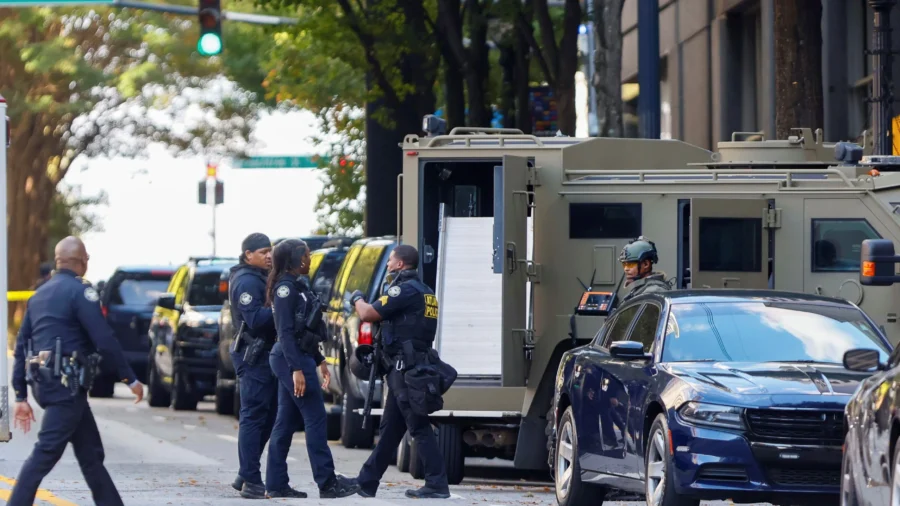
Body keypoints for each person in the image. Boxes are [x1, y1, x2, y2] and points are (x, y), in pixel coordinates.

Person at [9, 236, 144, 506]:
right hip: (65, 388)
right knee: (45, 452)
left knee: (91, 455)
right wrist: (129, 378)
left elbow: (22, 345)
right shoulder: (80, 292)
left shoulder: (39, 295)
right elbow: (104, 339)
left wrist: (21, 395)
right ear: (82, 261)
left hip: (48, 386)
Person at [348, 244, 451, 499]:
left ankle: (437, 484)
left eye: (391, 260)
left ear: (400, 264)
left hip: (405, 369)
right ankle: (366, 481)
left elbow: (368, 313)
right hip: (410, 368)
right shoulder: (426, 292)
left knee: (417, 425)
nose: (388, 264)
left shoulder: (403, 290)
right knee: (391, 429)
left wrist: (357, 298)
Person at [264, 239, 360, 499]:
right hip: (290, 358)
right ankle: (327, 483)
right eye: (306, 256)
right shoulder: (285, 289)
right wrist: (297, 368)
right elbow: (284, 332)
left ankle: (275, 483)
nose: (309, 260)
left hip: (300, 356)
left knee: (286, 421)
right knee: (315, 418)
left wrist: (319, 360)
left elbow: (304, 329)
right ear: (295, 260)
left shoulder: (298, 285)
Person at [228, 233, 304, 499]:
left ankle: (245, 472)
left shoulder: (260, 277)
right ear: (248, 254)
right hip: (253, 355)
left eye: (270, 251)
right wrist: (282, 309)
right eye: (262, 252)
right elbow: (255, 319)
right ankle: (251, 480)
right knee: (254, 415)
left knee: (269, 416)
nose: (269, 256)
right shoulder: (246, 281)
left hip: (265, 355)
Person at [619, 236, 672, 302]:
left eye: (630, 264)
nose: (626, 269)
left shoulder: (653, 292)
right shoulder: (639, 289)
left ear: (646, 264)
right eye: (624, 264)